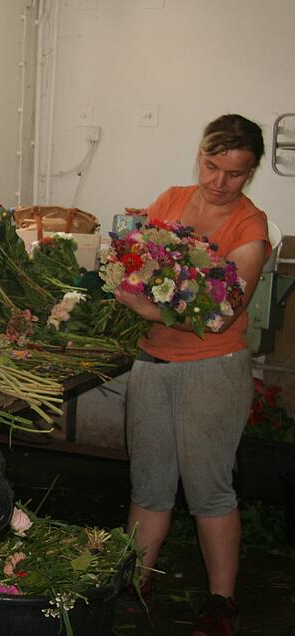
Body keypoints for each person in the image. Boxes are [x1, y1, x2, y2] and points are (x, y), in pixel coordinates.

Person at [115, 114, 271, 636]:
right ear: (200, 154)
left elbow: (222, 314)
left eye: (234, 173)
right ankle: (136, 583)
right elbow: (137, 260)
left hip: (212, 368)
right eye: (211, 165)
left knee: (209, 491)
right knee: (149, 484)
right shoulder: (171, 201)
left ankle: (221, 603)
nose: (218, 182)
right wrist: (126, 274)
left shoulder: (250, 228)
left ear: (250, 174)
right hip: (153, 362)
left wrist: (150, 311)